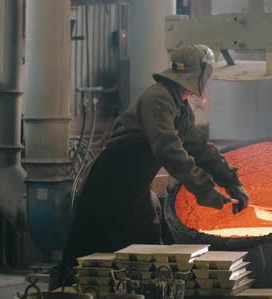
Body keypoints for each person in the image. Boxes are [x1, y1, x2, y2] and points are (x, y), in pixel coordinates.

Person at [59, 44, 249, 277]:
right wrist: (206, 191)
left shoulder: (180, 107)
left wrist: (231, 180)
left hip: (136, 189)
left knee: (146, 250)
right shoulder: (158, 99)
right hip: (110, 186)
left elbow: (200, 148)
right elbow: (169, 150)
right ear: (200, 74)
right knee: (88, 257)